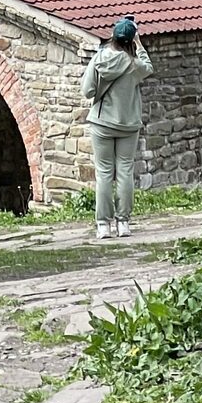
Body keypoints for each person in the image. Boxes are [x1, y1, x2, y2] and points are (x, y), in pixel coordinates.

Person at [81, 14, 152, 240]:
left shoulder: (99, 59)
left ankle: (103, 225)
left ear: (112, 36)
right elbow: (148, 67)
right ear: (131, 40)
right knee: (125, 171)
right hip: (128, 124)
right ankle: (123, 223)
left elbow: (87, 91)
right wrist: (139, 46)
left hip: (102, 122)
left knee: (103, 173)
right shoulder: (134, 65)